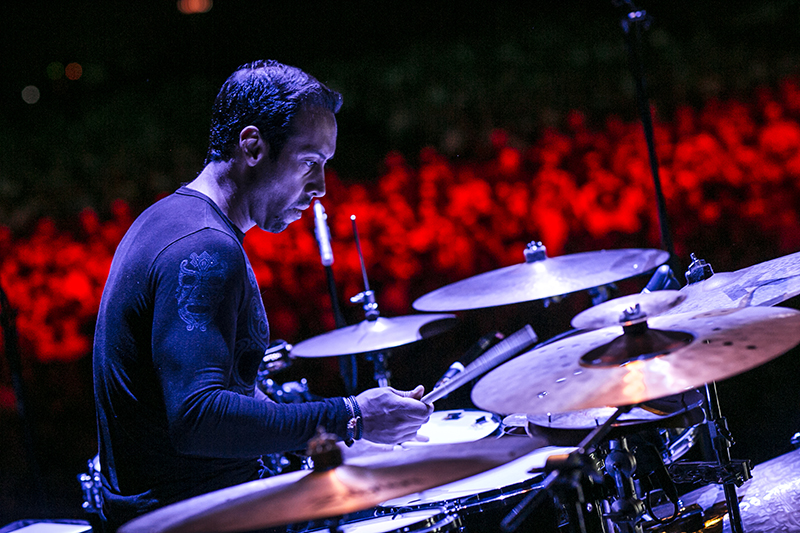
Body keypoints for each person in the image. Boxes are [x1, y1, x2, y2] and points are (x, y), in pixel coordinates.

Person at [92, 60, 433, 532]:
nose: (319, 189)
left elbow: (216, 394)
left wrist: (327, 432)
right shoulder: (204, 248)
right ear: (252, 145)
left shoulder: (169, 219)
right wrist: (351, 416)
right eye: (310, 163)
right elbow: (197, 415)